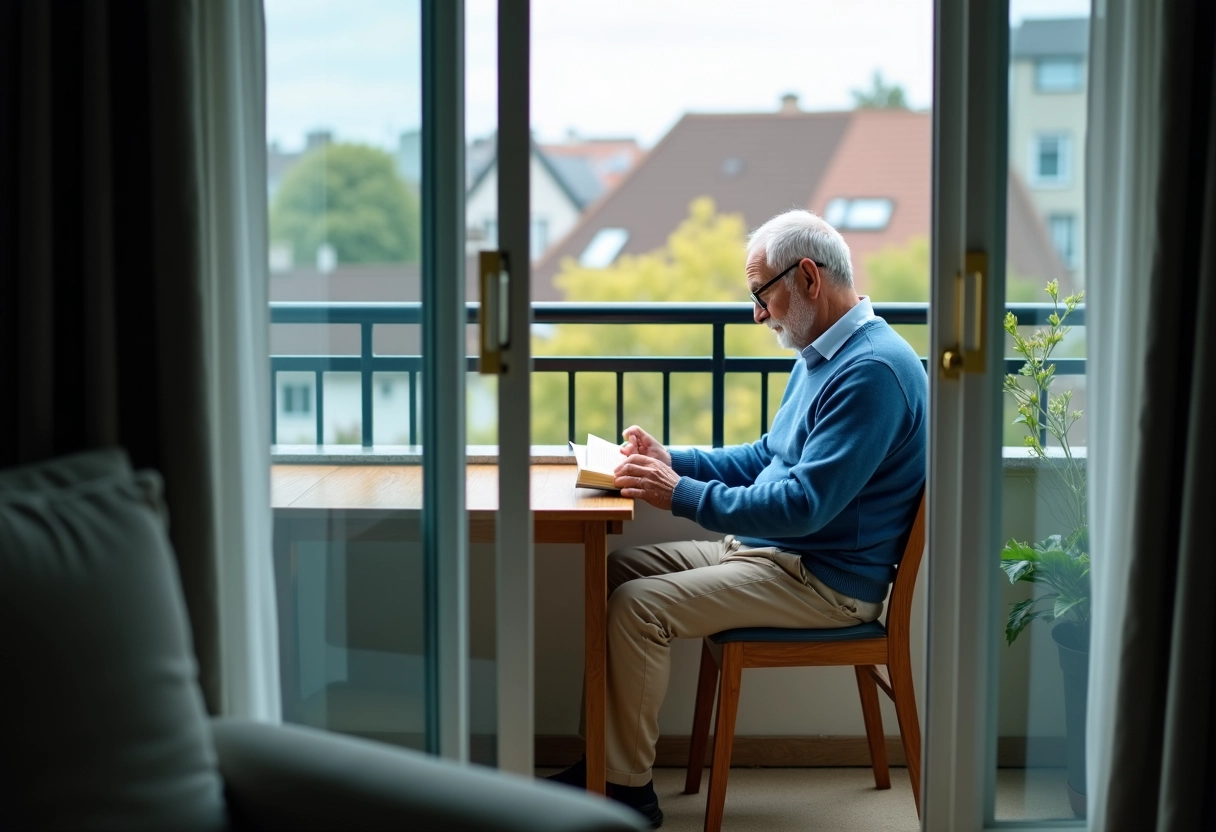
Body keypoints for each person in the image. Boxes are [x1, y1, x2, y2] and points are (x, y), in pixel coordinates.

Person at [547, 209, 927, 828]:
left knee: (637, 609)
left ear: (807, 276)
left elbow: (803, 506)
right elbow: (766, 457)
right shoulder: (825, 353)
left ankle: (626, 792)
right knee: (616, 572)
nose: (757, 314)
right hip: (772, 552)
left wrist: (679, 494)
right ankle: (605, 763)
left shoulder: (872, 372)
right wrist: (675, 459)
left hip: (823, 580)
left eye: (761, 294)